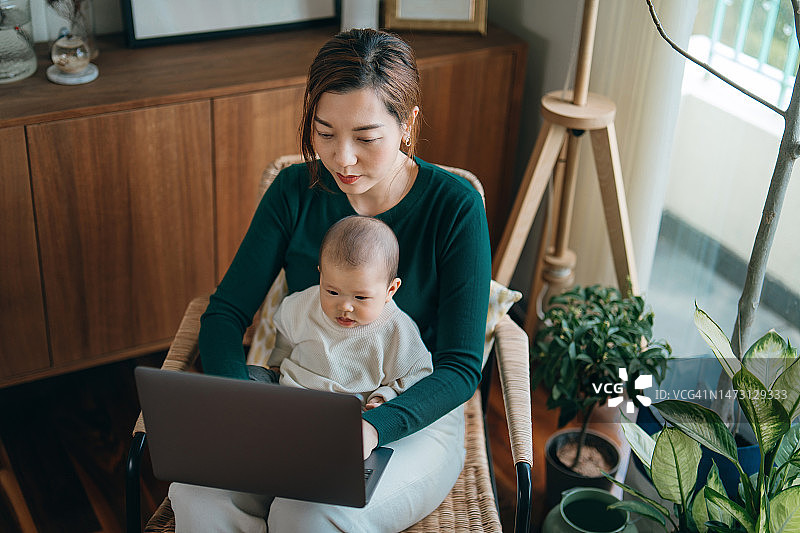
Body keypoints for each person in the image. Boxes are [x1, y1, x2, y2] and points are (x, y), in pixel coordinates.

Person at [169, 27, 491, 533]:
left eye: (366, 138)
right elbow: (226, 313)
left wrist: (371, 428)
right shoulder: (296, 189)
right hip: (299, 400)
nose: (342, 158)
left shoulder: (454, 207)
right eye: (324, 132)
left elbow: (460, 368)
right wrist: (241, 403)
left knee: (307, 515)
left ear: (408, 125)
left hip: (406, 413)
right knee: (195, 493)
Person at [262, 215, 433, 416]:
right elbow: (285, 336)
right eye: (332, 292)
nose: (344, 306)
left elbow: (418, 372)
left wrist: (386, 395)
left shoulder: (396, 329)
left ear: (390, 290)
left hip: (349, 412)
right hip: (292, 396)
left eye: (360, 297)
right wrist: (275, 366)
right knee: (248, 378)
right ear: (321, 275)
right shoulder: (303, 305)